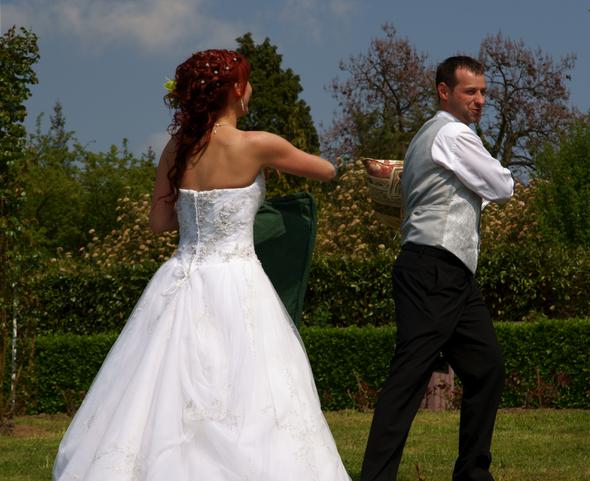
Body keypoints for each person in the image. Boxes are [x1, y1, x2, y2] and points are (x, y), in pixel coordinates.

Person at [52, 49, 351, 481]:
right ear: (236, 90)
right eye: (248, 82)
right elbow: (325, 171)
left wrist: (198, 212)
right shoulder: (258, 145)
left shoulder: (177, 148)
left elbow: (159, 223)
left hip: (181, 276)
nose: (251, 89)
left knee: (161, 385)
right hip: (238, 278)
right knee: (249, 385)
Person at [360, 56, 515, 481]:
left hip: (450, 273)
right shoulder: (453, 134)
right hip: (434, 268)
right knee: (409, 378)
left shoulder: (424, 136)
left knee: (486, 368)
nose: (480, 100)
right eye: (470, 91)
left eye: (483, 92)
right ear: (444, 92)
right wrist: (486, 185)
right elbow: (502, 185)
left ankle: (472, 473)